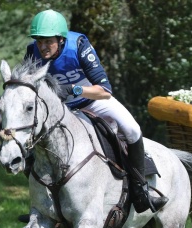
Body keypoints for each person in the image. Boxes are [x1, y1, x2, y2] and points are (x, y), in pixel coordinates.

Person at [24, 9, 168, 213]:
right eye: (39, 41)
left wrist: (75, 89)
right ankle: (41, 205)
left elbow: (104, 90)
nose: (43, 47)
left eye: (48, 41)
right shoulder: (32, 52)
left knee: (133, 129)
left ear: (61, 39)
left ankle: (140, 190)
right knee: (29, 144)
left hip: (92, 101)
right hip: (61, 110)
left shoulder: (79, 46)